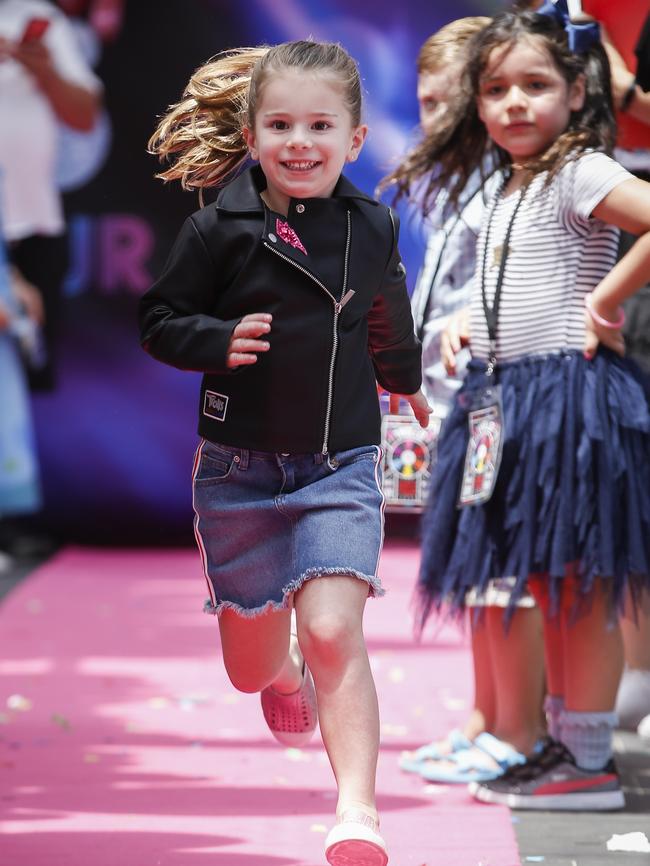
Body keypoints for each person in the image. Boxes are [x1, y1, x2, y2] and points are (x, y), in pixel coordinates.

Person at [139, 39, 430, 866]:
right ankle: (279, 673)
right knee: (249, 668)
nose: (300, 142)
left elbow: (386, 307)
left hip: (339, 463)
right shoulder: (217, 227)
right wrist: (217, 339)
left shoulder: (371, 223)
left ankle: (358, 814)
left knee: (338, 629)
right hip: (239, 474)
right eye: (280, 125)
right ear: (253, 132)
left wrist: (403, 380)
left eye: (319, 125)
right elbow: (159, 321)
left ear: (355, 138)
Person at [385, 2, 650, 810]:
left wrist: (606, 303)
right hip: (510, 397)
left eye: (535, 85)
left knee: (580, 582)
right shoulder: (510, 180)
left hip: (568, 397)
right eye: (495, 88)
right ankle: (558, 750)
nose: (513, 104)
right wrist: (474, 323)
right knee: (544, 574)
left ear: (577, 91)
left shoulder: (581, 169)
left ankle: (590, 758)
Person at [388, 16, 548, 787]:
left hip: (500, 400)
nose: (438, 120)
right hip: (455, 405)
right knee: (471, 571)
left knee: (502, 575)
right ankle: (487, 720)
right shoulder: (454, 187)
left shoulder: (515, 182)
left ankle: (522, 730)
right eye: (426, 103)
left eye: (455, 102)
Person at [0, 0, 102, 392]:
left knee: (32, 374)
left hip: (34, 223)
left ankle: (17, 454)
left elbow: (85, 116)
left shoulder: (42, 17)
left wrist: (41, 68)